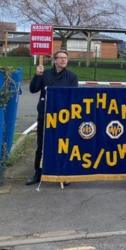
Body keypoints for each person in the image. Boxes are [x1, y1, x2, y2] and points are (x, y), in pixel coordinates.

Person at [26, 50, 78, 185]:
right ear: (55, 60)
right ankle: (38, 173)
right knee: (42, 144)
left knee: (62, 144)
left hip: (63, 117)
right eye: (60, 58)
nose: (63, 60)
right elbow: (33, 89)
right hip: (45, 114)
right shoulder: (46, 74)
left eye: (65, 58)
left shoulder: (72, 77)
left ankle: (63, 173)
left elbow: (74, 96)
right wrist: (37, 76)